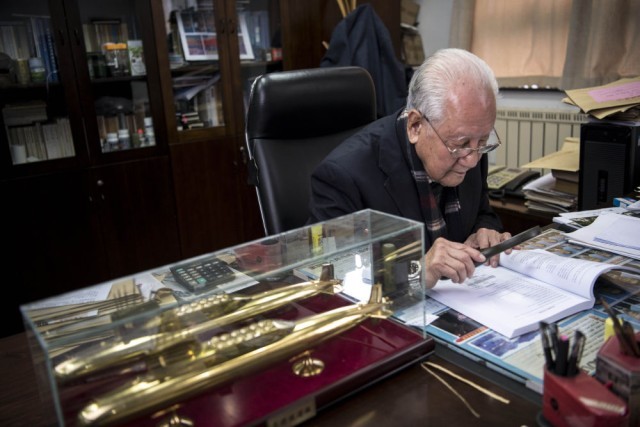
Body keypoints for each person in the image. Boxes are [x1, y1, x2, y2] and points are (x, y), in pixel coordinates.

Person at [308, 48, 513, 289]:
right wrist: (418, 271)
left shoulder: (471, 147)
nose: (472, 160)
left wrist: (485, 230)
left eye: (483, 141)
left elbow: (482, 211)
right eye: (460, 145)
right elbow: (328, 277)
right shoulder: (343, 176)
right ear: (415, 126)